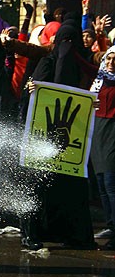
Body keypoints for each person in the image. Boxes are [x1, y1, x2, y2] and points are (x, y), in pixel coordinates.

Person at [23, 18, 99, 250]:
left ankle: (75, 235)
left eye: (71, 42)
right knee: (39, 186)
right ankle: (31, 234)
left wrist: (91, 104)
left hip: (73, 141)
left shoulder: (83, 66)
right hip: (43, 137)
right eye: (63, 41)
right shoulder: (46, 62)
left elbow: (94, 90)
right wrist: (33, 89)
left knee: (72, 190)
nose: (67, 47)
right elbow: (31, 99)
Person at [89, 46, 115, 250]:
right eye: (109, 58)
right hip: (98, 130)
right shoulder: (99, 81)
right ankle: (110, 225)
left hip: (113, 131)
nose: (111, 63)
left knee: (110, 182)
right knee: (100, 182)